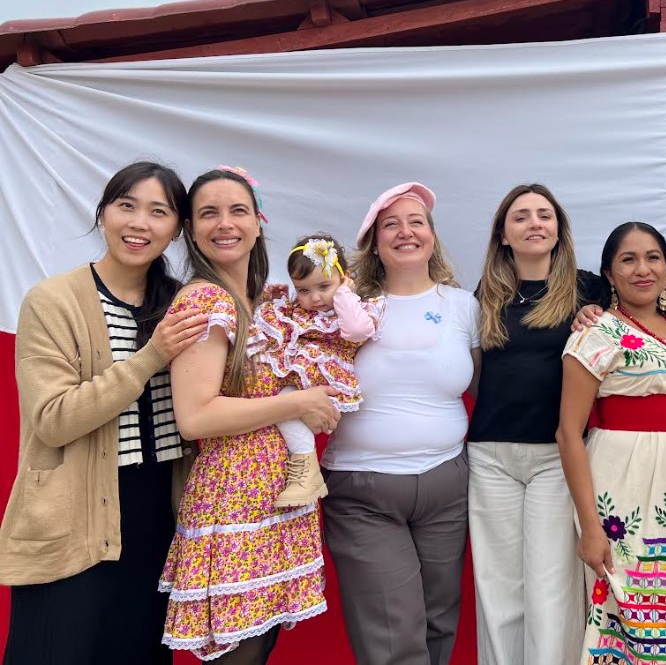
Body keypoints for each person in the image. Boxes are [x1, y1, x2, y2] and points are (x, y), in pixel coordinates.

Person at [0, 162, 207, 665]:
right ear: (103, 213)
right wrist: (150, 356)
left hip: (159, 517)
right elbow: (52, 419)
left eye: (158, 212)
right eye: (126, 205)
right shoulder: (53, 301)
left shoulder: (184, 302)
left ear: (177, 228)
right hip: (75, 516)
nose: (140, 224)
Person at [159, 168, 339, 663]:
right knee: (240, 653)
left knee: (259, 647)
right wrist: (296, 404)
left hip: (271, 491)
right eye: (208, 213)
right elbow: (194, 417)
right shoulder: (204, 300)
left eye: (238, 210)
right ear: (191, 229)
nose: (225, 223)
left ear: (257, 222)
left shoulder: (259, 301)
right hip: (233, 496)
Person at [320, 181, 481, 665]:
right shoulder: (344, 309)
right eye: (391, 224)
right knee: (393, 633)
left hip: (447, 485)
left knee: (438, 621)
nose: (406, 232)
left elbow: (486, 391)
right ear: (373, 241)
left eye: (417, 222)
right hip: (363, 489)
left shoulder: (463, 307)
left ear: (432, 236)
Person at [558, 221, 666, 665]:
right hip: (621, 480)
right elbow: (568, 432)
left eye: (652, 258)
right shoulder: (595, 334)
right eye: (628, 260)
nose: (642, 269)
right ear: (609, 274)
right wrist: (590, 528)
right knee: (628, 609)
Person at [468, 184, 606, 665]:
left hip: (556, 457)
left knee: (551, 587)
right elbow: (476, 374)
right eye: (521, 217)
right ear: (503, 235)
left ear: (559, 229)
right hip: (490, 455)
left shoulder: (590, 290)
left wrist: (599, 317)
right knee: (498, 588)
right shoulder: (483, 296)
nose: (534, 224)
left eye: (544, 215)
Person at [254, 233, 386, 508]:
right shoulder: (299, 312)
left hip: (326, 381)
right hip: (300, 379)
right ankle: (304, 468)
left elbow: (357, 331)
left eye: (324, 286)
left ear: (344, 277)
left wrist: (344, 294)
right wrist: (270, 297)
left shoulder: (356, 308)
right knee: (280, 402)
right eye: (303, 290)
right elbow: (265, 321)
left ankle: (306, 469)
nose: (314, 298)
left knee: (285, 403)